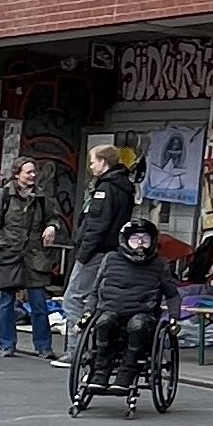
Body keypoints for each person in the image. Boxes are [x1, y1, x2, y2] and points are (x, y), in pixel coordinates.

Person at [57, 145, 135, 366]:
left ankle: (76, 350)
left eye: (93, 162)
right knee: (99, 299)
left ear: (104, 162)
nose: (90, 166)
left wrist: (82, 254)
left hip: (96, 252)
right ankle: (98, 347)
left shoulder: (105, 190)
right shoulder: (125, 187)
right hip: (113, 252)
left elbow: (97, 225)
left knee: (73, 298)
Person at [87, 218, 183, 389]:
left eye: (145, 239)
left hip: (143, 314)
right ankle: (100, 371)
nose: (140, 244)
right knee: (103, 322)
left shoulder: (160, 265)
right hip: (110, 310)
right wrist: (87, 313)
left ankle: (127, 372)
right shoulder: (110, 259)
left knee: (137, 325)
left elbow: (172, 295)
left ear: (152, 242)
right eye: (135, 239)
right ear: (126, 241)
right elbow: (94, 291)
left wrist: (175, 318)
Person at [0, 156, 56, 358]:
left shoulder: (41, 196)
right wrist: (4, 246)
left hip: (35, 257)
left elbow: (52, 217)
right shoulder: (3, 195)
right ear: (17, 174)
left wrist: (52, 227)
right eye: (29, 172)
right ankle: (7, 344)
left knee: (39, 303)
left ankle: (44, 347)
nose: (33, 175)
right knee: (7, 302)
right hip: (9, 256)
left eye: (34, 171)